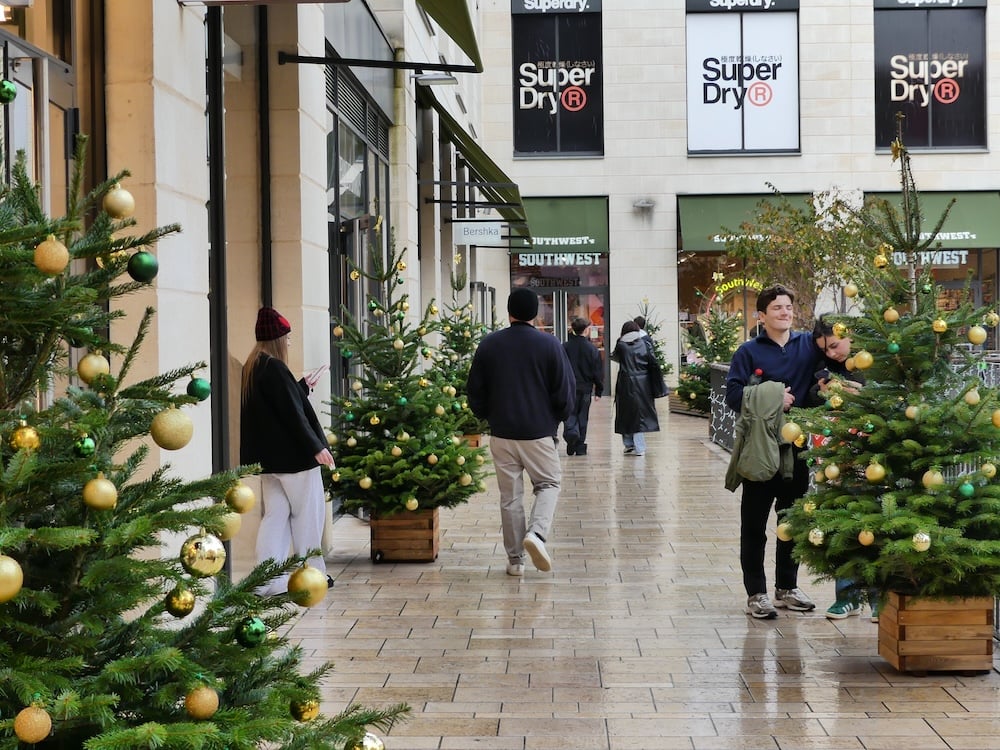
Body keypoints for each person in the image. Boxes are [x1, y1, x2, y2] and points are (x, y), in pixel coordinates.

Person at [725, 285, 821, 619]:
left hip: (797, 447)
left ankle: (787, 587)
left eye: (788, 307)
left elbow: (826, 373)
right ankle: (756, 593)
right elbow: (733, 396)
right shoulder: (748, 352)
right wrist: (772, 397)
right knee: (754, 523)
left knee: (791, 520)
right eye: (777, 308)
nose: (785, 312)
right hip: (761, 449)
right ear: (761, 315)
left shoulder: (807, 345)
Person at [466, 288, 576, 576]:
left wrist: (487, 416)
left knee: (510, 497)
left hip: (501, 433)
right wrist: (557, 419)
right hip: (538, 432)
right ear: (535, 314)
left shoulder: (489, 345)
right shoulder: (549, 344)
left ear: (509, 312)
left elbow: (475, 390)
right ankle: (537, 534)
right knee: (549, 483)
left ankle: (515, 561)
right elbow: (565, 392)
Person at [240, 307, 335, 595]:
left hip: (271, 462)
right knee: (308, 516)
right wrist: (316, 446)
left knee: (276, 518)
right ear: (278, 339)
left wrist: (302, 386)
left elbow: (281, 404)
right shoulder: (275, 367)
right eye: (287, 337)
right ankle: (312, 575)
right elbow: (292, 414)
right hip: (294, 459)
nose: (290, 342)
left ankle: (267, 581)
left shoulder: (254, 366)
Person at [810, 316, 878, 621]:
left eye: (836, 345)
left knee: (877, 523)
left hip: (875, 457)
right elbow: (811, 398)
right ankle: (846, 596)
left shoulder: (876, 360)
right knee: (842, 521)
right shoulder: (827, 371)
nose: (833, 353)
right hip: (838, 458)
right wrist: (823, 390)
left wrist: (860, 395)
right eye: (827, 349)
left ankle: (880, 596)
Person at [610, 320, 661, 457]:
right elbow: (653, 363)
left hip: (625, 382)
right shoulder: (644, 343)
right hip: (643, 383)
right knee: (639, 414)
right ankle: (640, 447)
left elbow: (614, 357)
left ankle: (628, 444)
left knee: (625, 413)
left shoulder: (621, 345)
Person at [562, 317, 604, 456]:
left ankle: (571, 435)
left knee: (570, 413)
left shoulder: (565, 347)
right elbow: (597, 372)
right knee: (583, 416)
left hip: (568, 387)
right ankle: (580, 446)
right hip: (585, 388)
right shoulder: (592, 349)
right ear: (586, 330)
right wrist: (599, 390)